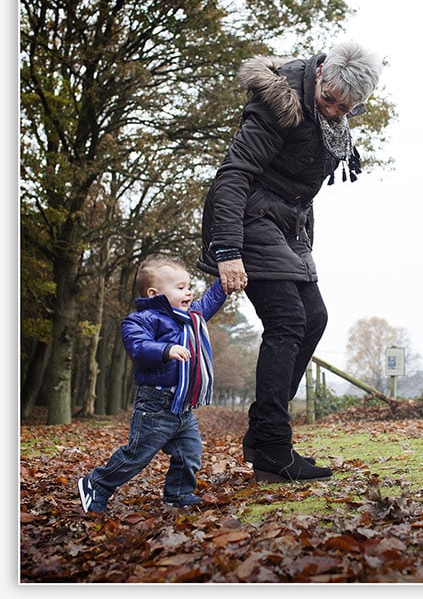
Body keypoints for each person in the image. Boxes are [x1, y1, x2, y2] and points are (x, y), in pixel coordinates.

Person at [197, 41, 382, 483]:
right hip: (248, 216)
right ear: (320, 74)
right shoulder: (277, 103)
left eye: (345, 107)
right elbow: (233, 175)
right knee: (287, 320)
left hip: (287, 224)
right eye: (329, 100)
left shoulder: (334, 117)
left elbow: (301, 187)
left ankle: (263, 434)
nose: (334, 111)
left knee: (314, 317)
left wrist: (303, 239)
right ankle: (274, 448)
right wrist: (228, 252)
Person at [78, 255, 228, 513]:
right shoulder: (141, 320)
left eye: (189, 286)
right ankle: (97, 483)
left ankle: (178, 493)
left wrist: (224, 284)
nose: (189, 292)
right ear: (154, 293)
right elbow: (138, 346)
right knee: (137, 455)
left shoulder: (191, 317)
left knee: (189, 453)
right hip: (155, 405)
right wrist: (166, 349)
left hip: (182, 405)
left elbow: (209, 301)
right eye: (180, 287)